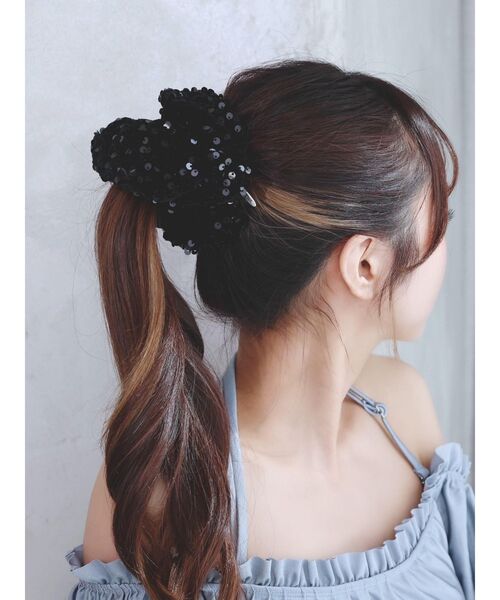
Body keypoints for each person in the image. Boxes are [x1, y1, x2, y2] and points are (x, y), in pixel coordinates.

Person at [65, 59, 474, 599]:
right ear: (366, 264)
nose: (447, 247)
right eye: (440, 221)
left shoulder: (404, 403)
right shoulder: (164, 497)